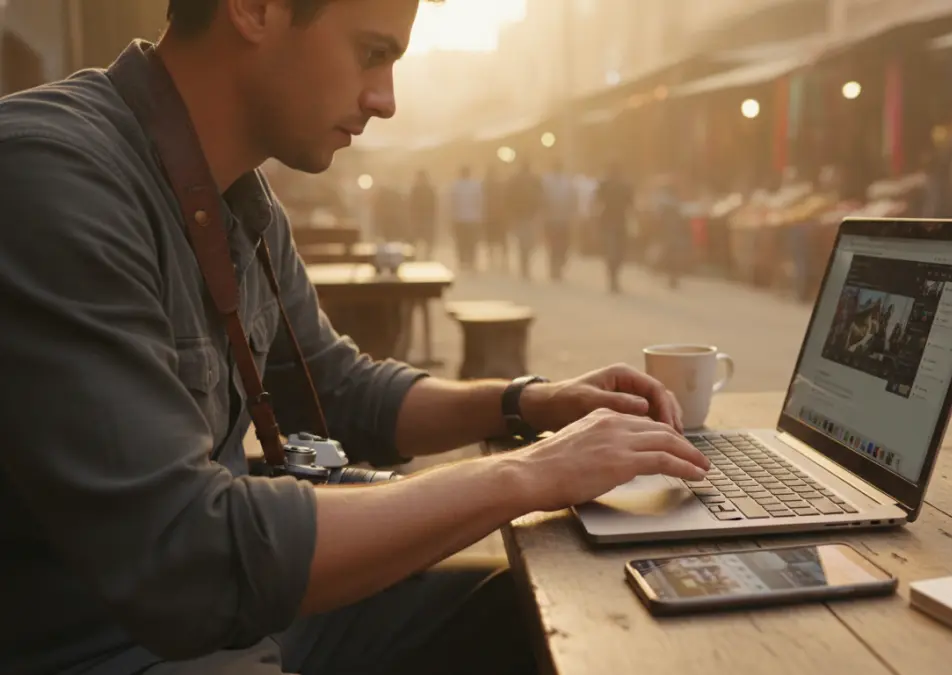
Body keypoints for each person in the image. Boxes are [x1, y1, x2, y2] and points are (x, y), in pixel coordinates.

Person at [0, 2, 706, 675]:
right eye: (372, 54)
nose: (385, 99)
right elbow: (187, 555)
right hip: (108, 646)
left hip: (227, 620)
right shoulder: (51, 180)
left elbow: (337, 388)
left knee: (553, 612)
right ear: (255, 7)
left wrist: (532, 401)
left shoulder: (237, 197)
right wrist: (528, 474)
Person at [595, 161, 634, 293]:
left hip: (614, 222)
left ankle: (613, 277)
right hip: (614, 222)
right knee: (615, 252)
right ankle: (613, 279)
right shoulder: (609, 185)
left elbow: (631, 203)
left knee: (616, 252)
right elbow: (632, 204)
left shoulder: (615, 185)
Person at [541, 159, 578, 281]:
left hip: (563, 219)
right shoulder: (547, 181)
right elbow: (542, 199)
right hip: (551, 219)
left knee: (563, 246)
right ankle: (554, 269)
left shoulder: (567, 182)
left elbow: (573, 200)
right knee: (553, 245)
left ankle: (559, 265)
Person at [507, 157, 543, 280]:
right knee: (529, 242)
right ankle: (525, 264)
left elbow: (508, 198)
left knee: (523, 242)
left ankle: (524, 264)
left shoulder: (516, 180)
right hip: (529, 215)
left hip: (521, 215)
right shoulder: (534, 179)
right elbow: (540, 196)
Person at [448, 164, 483, 271]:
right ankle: (471, 261)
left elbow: (452, 203)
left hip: (459, 218)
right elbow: (480, 203)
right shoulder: (476, 185)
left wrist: (451, 218)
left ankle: (462, 261)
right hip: (472, 218)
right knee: (472, 242)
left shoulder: (456, 186)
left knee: (461, 241)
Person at [483, 163, 509, 270]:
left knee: (493, 240)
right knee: (500, 240)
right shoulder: (499, 185)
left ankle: (495, 260)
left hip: (492, 215)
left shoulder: (486, 185)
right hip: (497, 215)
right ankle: (502, 261)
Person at [408, 168, 438, 259]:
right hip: (418, 218)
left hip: (426, 218)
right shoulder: (415, 190)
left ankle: (428, 255)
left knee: (427, 238)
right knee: (416, 239)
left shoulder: (429, 190)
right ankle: (413, 255)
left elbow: (434, 206)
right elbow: (411, 205)